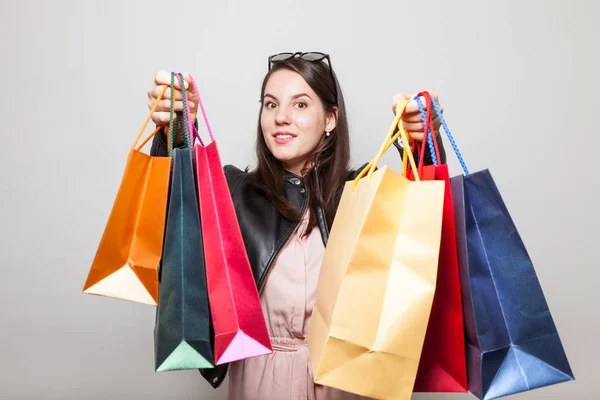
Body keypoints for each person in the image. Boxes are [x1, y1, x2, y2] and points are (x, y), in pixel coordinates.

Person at [148, 52, 446, 400]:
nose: (281, 118)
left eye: (300, 105)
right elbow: (174, 227)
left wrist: (424, 141)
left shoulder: (366, 194)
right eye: (271, 105)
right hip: (260, 381)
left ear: (330, 119)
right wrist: (177, 132)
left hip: (345, 382)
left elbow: (426, 242)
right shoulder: (231, 191)